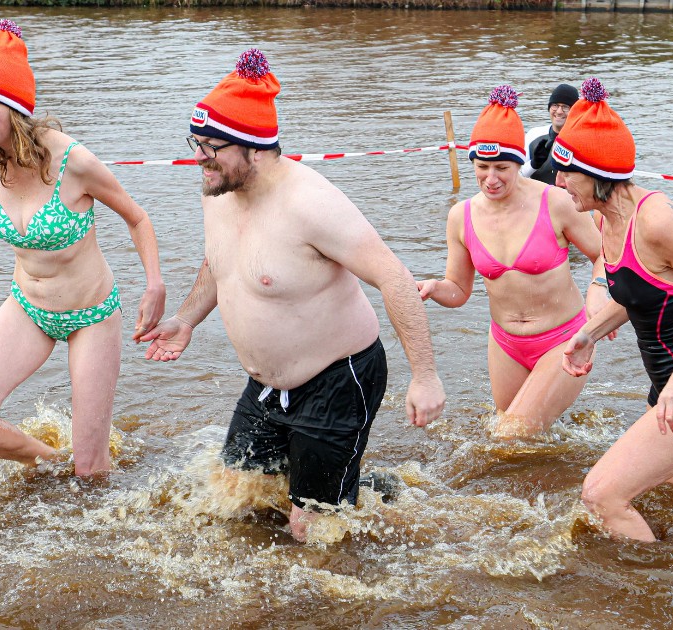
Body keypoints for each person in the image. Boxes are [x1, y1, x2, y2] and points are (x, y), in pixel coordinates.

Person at [139, 49, 445, 542]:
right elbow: (220, 262)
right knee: (236, 501)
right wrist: (186, 319)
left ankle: (369, 500)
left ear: (254, 150)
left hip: (338, 380)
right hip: (265, 387)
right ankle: (360, 485)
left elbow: (394, 278)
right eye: (195, 142)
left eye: (211, 146)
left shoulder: (312, 205)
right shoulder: (217, 189)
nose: (199, 157)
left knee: (310, 532)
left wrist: (425, 376)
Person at [0, 20, 165, 478]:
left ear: (15, 107)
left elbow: (137, 217)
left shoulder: (75, 162)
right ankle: (50, 464)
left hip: (90, 314)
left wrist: (154, 284)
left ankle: (81, 478)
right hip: (27, 308)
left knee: (92, 471)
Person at [556, 78, 673, 542]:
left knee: (600, 496)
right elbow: (640, 292)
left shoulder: (657, 220)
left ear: (599, 174)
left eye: (567, 173)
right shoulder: (604, 216)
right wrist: (589, 333)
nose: (559, 183)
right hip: (667, 384)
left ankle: (647, 583)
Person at [416, 86, 611, 440]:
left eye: (502, 168)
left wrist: (598, 290)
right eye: (482, 167)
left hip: (563, 338)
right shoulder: (461, 216)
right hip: (505, 345)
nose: (491, 179)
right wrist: (434, 288)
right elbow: (459, 290)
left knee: (509, 437)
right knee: (517, 447)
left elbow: (605, 254)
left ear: (519, 164)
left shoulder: (555, 202)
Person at [521, 84, 580, 185]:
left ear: (574, 112)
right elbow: (518, 176)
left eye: (565, 107)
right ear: (549, 108)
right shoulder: (533, 135)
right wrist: (534, 164)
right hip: (538, 194)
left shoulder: (582, 139)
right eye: (555, 105)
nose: (559, 111)